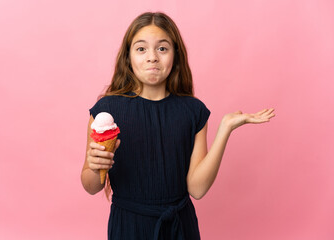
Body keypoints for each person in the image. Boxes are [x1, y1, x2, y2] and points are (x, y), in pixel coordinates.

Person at [81, 12, 275, 240]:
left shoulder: (193, 112)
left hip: (179, 227)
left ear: (176, 56)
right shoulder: (106, 111)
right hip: (128, 226)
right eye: (141, 49)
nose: (152, 57)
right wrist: (95, 168)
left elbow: (197, 189)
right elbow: (91, 185)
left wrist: (225, 129)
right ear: (128, 57)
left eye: (162, 48)